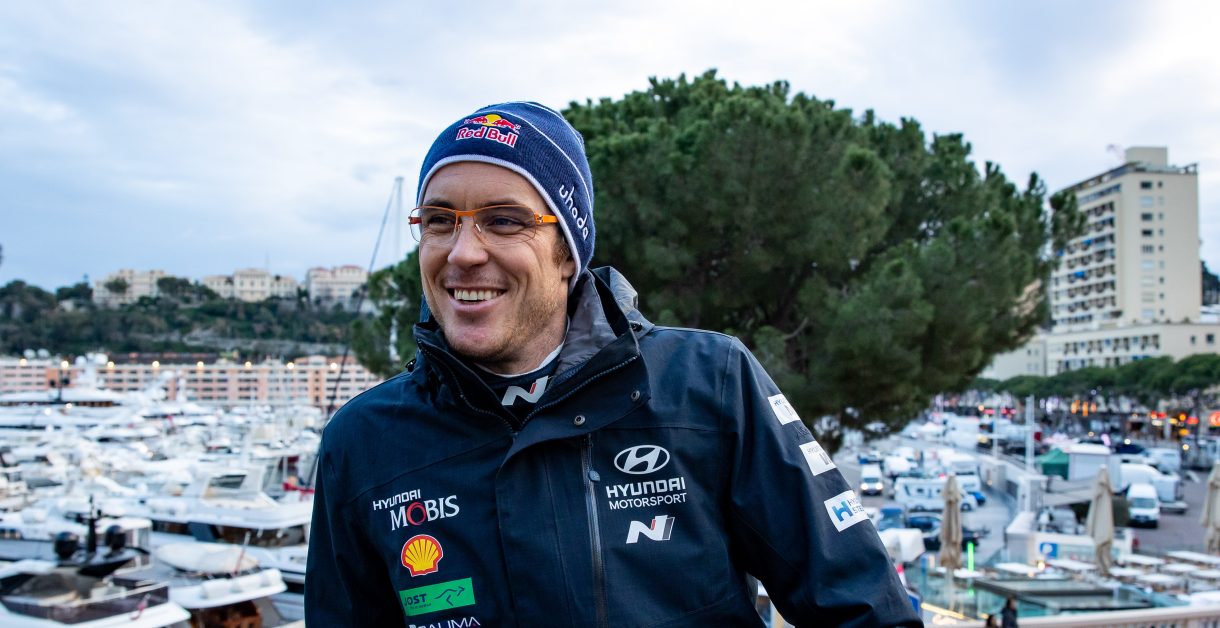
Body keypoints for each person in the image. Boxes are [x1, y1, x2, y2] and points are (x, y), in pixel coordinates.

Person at [305, 101, 922, 627]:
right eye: (440, 221)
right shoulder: (362, 444)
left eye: (504, 221)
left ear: (567, 253)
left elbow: (865, 609)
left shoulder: (709, 383)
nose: (463, 252)